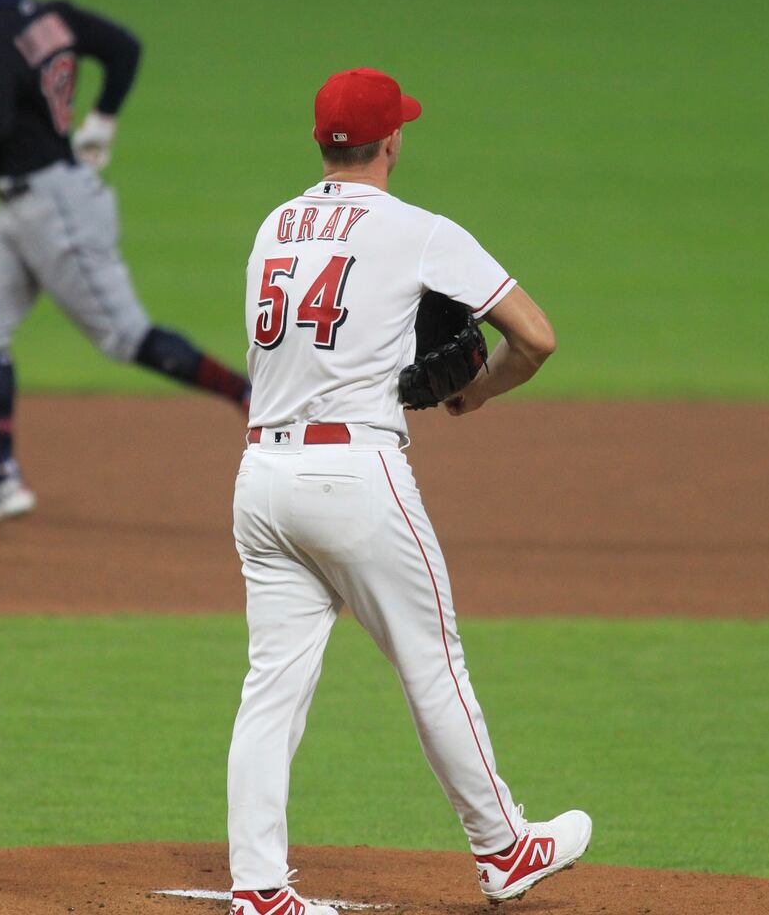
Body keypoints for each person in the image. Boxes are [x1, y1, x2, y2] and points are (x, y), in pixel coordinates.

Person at [227, 68, 591, 914]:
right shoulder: (419, 229)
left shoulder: (274, 227)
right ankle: (504, 848)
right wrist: (472, 393)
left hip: (260, 479)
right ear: (392, 140)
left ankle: (257, 887)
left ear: (322, 141)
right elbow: (535, 338)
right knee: (433, 664)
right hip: (355, 478)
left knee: (271, 686)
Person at [0, 0, 250, 534]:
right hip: (26, 206)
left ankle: (247, 394)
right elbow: (124, 47)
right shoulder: (53, 17)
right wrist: (104, 119)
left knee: (124, 336)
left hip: (55, 208)